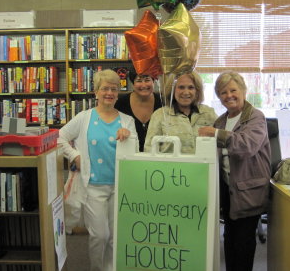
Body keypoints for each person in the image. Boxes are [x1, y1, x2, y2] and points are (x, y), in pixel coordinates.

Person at [58, 69, 137, 271]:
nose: (109, 93)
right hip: (93, 186)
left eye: (113, 89)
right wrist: (75, 155)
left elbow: (135, 150)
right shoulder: (84, 118)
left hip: (120, 187)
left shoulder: (127, 120)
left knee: (114, 237)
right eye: (104, 89)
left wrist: (128, 136)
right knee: (99, 236)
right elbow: (60, 138)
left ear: (118, 93)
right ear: (96, 92)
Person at [198, 71, 271, 271]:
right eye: (223, 92)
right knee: (229, 239)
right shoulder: (221, 120)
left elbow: (247, 146)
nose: (228, 95)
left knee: (243, 243)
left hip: (249, 191)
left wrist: (216, 134)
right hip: (228, 190)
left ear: (243, 91)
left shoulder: (256, 116)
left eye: (233, 90)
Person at [144, 71, 217, 154]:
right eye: (181, 87)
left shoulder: (209, 113)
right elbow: (149, 149)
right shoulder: (160, 115)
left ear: (197, 90)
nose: (186, 92)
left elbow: (220, 145)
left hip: (204, 166)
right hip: (169, 166)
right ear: (172, 90)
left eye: (191, 87)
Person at [115, 69, 162, 152]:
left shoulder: (163, 102)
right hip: (129, 157)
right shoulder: (120, 103)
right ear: (133, 84)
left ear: (153, 81)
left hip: (157, 158)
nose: (143, 85)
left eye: (147, 80)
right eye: (139, 81)